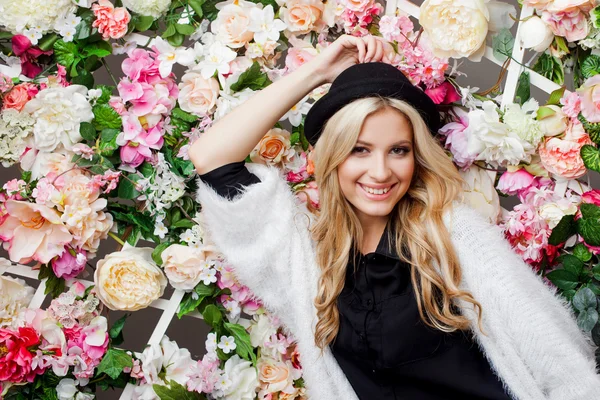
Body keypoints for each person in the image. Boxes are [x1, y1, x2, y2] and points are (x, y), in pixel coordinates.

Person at [189, 34, 600, 399]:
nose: (382, 172)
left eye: (398, 150)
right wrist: (318, 72)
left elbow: (564, 368)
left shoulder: (453, 236)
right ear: (332, 156)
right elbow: (212, 158)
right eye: (360, 149)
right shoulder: (308, 262)